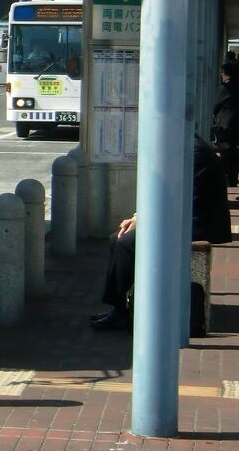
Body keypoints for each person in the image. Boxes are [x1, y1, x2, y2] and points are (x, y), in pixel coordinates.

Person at [91, 133, 232, 330]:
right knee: (117, 238)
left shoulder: (193, 152)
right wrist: (137, 217)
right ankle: (120, 307)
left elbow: (181, 197)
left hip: (197, 222)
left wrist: (144, 220)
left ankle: (122, 310)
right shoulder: (186, 146)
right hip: (183, 216)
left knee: (126, 243)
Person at [211, 60, 239, 186]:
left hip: (226, 127)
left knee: (226, 155)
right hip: (236, 127)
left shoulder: (225, 88)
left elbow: (214, 106)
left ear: (224, 73)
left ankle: (228, 181)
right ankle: (232, 178)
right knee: (233, 155)